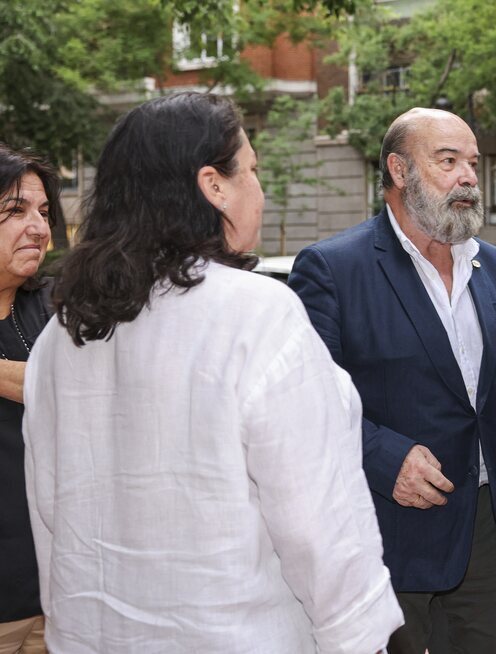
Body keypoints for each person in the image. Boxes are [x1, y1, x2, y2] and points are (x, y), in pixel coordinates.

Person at [22, 92, 402, 654]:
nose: (260, 189)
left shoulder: (63, 333)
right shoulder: (257, 316)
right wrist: (361, 636)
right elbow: (320, 530)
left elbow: (52, 519)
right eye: (250, 169)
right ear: (213, 185)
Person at [288, 107, 496, 654]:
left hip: (490, 537)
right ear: (399, 171)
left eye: (472, 161)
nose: (469, 175)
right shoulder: (332, 269)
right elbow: (307, 405)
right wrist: (382, 456)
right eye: (448, 161)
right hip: (386, 533)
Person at [0, 145, 60, 654]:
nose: (39, 227)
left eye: (43, 212)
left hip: (59, 597)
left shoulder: (60, 306)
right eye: (16, 210)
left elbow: (77, 387)